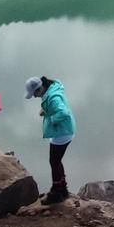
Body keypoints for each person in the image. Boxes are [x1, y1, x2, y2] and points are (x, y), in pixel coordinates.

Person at [24, 75, 76, 205]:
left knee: (54, 161)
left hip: (62, 132)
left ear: (40, 88)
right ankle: (62, 188)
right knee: (56, 161)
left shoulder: (53, 98)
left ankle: (57, 193)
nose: (35, 96)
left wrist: (52, 119)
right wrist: (45, 110)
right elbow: (53, 106)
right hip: (64, 131)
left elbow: (63, 112)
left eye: (35, 93)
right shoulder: (51, 91)